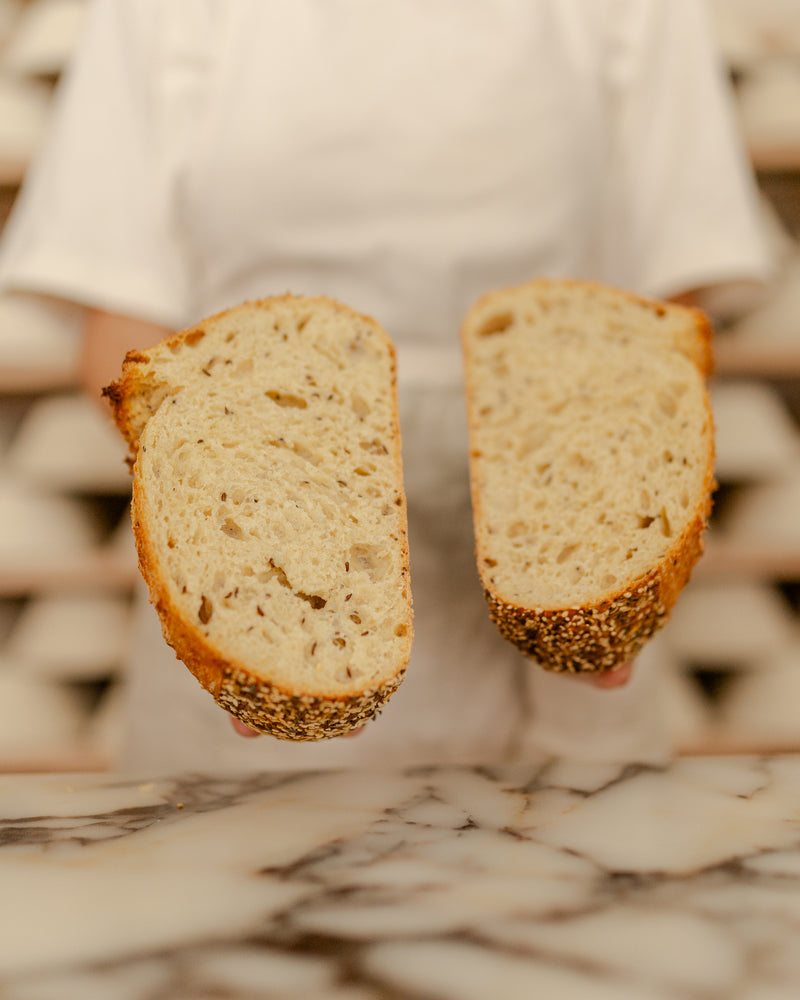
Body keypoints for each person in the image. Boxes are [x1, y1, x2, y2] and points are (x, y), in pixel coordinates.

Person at [0, 0, 769, 773]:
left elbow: (663, 317)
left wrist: (609, 547)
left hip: (558, 589)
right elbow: (121, 335)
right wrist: (246, 546)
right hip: (259, 576)